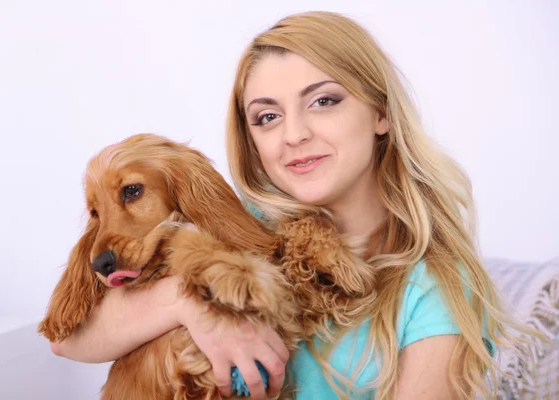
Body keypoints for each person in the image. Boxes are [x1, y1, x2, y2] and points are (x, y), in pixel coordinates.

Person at [51, 11, 533, 399]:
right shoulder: (237, 227)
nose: (294, 134)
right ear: (251, 137)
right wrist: (188, 305)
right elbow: (67, 338)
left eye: (323, 101)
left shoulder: (433, 287)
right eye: (267, 116)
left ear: (381, 112)